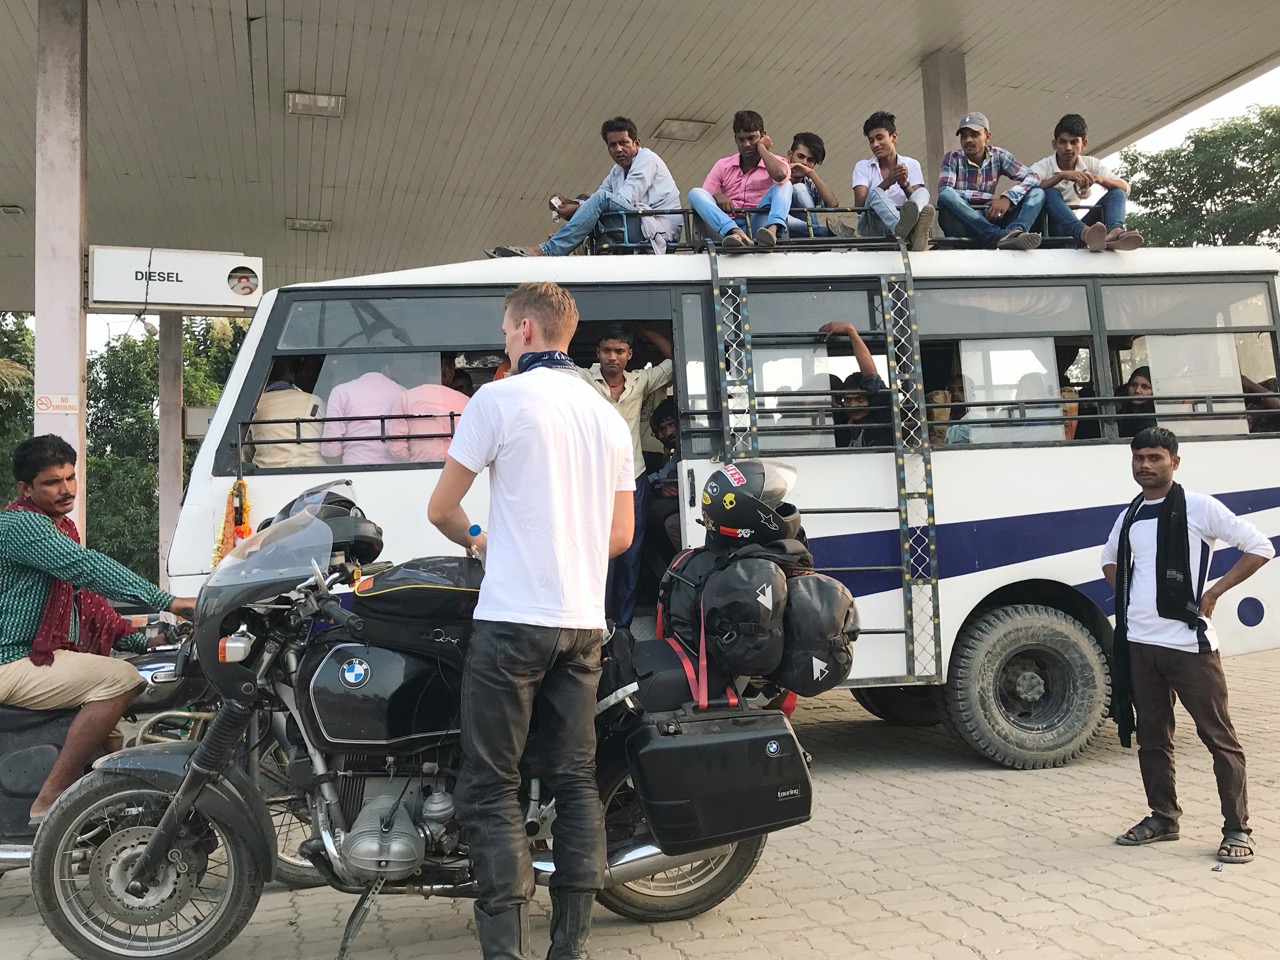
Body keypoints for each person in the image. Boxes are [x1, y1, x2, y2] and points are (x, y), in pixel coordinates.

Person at [427, 282, 633, 960]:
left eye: (505, 330)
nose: (504, 340)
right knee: (575, 782)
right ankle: (569, 949)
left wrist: (482, 539)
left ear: (524, 329)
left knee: (492, 786)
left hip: (513, 620)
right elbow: (620, 535)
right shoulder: (607, 415)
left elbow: (441, 510)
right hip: (583, 624)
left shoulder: (498, 399)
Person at [0, 435, 195, 824]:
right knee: (120, 679)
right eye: (52, 482)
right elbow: (87, 568)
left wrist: (148, 639)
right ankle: (50, 801)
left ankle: (104, 802)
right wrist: (169, 601)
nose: (66, 489)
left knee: (128, 680)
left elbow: (87, 604)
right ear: (26, 489)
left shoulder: (62, 528)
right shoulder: (21, 525)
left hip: (36, 658)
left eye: (70, 477)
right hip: (10, 659)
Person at [1103, 427, 1272, 864]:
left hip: (1189, 646)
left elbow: (1259, 547)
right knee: (1152, 738)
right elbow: (1109, 560)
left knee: (1219, 739)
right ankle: (1163, 818)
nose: (1145, 465)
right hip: (1141, 645)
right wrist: (1132, 597)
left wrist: (1213, 592)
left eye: (1155, 457)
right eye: (1139, 457)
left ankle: (1237, 828)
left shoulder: (1199, 507)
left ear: (1174, 462)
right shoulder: (1131, 514)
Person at [578, 324, 673, 628]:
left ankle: (623, 628)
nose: (612, 357)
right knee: (598, 552)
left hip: (633, 479)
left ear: (629, 354)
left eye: (619, 351)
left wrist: (645, 328)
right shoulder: (581, 379)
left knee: (631, 554)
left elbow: (674, 359)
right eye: (607, 350)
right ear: (598, 353)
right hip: (595, 482)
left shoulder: (640, 381)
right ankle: (598, 624)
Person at [487, 117, 681, 258]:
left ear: (637, 143)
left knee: (601, 200)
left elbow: (620, 200)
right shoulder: (617, 170)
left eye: (623, 143)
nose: (618, 149)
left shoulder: (647, 159)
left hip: (658, 231)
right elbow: (597, 200)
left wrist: (577, 210)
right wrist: (570, 203)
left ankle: (548, 250)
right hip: (638, 225)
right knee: (592, 200)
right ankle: (561, 242)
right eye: (612, 145)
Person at [1031, 114, 1144, 252]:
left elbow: (1125, 187)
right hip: (1049, 229)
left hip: (1077, 229)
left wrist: (1099, 179)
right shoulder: (1044, 166)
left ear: (1084, 144)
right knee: (1050, 192)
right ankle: (1084, 233)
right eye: (1063, 142)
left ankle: (1114, 232)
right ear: (1054, 144)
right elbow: (1027, 187)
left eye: (1074, 142)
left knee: (1117, 192)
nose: (1068, 148)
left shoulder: (1090, 163)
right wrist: (1061, 176)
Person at [937, 111, 1045, 250]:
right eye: (964, 136)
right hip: (964, 222)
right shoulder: (952, 158)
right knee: (946, 195)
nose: (968, 140)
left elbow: (1034, 177)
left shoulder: (999, 155)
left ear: (987, 137)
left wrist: (1008, 198)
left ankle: (1015, 231)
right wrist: (991, 197)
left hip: (992, 217)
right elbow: (945, 190)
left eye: (974, 135)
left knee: (1038, 193)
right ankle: (999, 237)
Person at [687, 110, 793, 248]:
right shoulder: (723, 165)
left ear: (763, 136)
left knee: (785, 185)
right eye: (741, 139)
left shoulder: (777, 163)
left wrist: (762, 148)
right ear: (735, 139)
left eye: (752, 138)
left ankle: (771, 233)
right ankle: (736, 233)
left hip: (759, 227)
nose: (746, 144)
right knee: (695, 193)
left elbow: (780, 175)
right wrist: (717, 196)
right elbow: (704, 199)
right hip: (726, 230)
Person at [852, 111, 935, 250]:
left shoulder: (912, 164)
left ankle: (907, 231)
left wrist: (904, 184)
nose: (875, 144)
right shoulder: (862, 166)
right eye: (871, 141)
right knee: (875, 193)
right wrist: (888, 181)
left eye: (880, 138)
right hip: (873, 230)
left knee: (923, 192)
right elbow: (860, 206)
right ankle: (904, 231)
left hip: (900, 229)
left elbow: (915, 200)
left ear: (894, 137)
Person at [320, 344, 406, 465]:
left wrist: (339, 467)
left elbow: (331, 445)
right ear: (386, 367)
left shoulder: (341, 392)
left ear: (359, 367)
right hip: (396, 468)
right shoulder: (403, 392)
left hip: (353, 467)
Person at [387, 352, 471, 463]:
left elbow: (397, 447)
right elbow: (473, 443)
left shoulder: (405, 398)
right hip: (455, 468)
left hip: (417, 469)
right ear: (447, 370)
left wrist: (414, 463)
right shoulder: (465, 401)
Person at [244, 356, 327, 468]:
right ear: (290, 375)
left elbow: (245, 455)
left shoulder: (254, 406)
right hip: (316, 470)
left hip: (269, 473)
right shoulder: (314, 401)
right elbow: (328, 444)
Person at [819, 322, 892, 447]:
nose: (853, 406)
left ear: (871, 400)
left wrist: (850, 331)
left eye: (860, 399)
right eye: (847, 400)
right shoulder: (841, 424)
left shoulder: (881, 420)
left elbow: (871, 376)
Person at [785, 132, 839, 237]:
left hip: (804, 236)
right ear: (790, 155)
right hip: (781, 231)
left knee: (800, 187)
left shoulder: (809, 182)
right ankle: (822, 233)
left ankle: (816, 234)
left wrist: (811, 173)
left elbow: (833, 205)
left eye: (810, 160)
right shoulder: (777, 175)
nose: (804, 163)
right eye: (800, 156)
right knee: (779, 215)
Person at [1118, 366, 1157, 438]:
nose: (1137, 391)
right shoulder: (1120, 416)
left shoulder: (1157, 421)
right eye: (1133, 385)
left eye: (1145, 387)